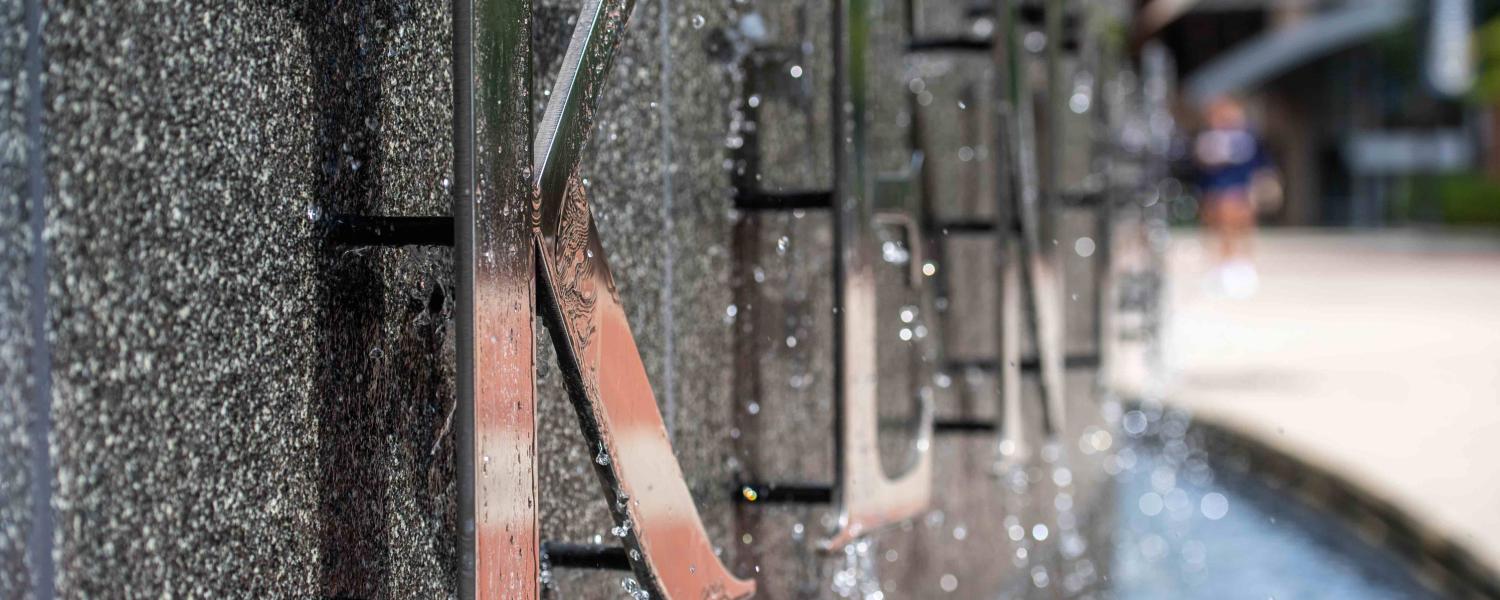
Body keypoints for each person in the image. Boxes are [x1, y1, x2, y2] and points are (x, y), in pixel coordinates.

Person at [1192, 96, 1275, 298]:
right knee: (1217, 228)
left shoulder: (1247, 137)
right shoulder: (1207, 137)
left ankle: (1242, 266)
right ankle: (1222, 267)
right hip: (1215, 191)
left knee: (1241, 227)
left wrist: (1265, 185)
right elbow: (1199, 165)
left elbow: (1262, 164)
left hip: (1239, 190)